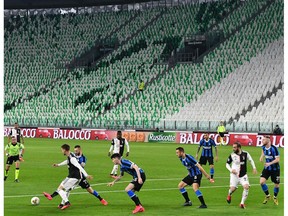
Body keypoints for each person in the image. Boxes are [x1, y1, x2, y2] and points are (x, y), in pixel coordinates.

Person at [43, 144, 93, 210]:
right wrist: (58, 165)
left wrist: (86, 175)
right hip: (74, 176)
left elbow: (79, 166)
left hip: (74, 177)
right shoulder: (70, 155)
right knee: (65, 189)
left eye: (62, 150)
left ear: (64, 150)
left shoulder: (72, 158)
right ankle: (55, 199)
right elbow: (67, 161)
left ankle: (67, 203)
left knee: (61, 189)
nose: (61, 151)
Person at [226, 142, 257, 209]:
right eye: (233, 147)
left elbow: (251, 160)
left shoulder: (245, 154)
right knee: (232, 189)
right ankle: (229, 194)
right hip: (234, 175)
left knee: (246, 187)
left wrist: (254, 168)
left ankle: (242, 203)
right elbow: (227, 164)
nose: (233, 148)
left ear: (239, 148)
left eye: (234, 147)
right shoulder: (232, 155)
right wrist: (231, 170)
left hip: (243, 175)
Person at [259, 136, 280, 205]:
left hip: (275, 169)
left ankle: (275, 197)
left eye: (264, 140)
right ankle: (268, 196)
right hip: (267, 168)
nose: (262, 141)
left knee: (276, 185)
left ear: (268, 140)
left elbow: (277, 159)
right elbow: (263, 151)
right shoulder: (263, 147)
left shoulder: (274, 149)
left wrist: (269, 163)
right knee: (261, 182)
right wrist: (261, 156)